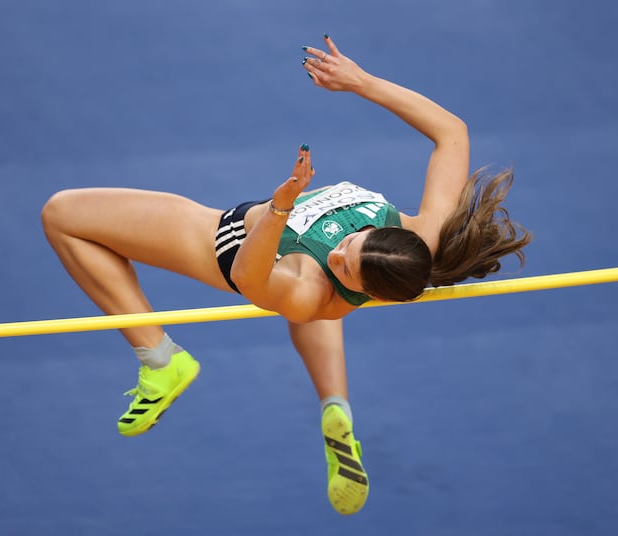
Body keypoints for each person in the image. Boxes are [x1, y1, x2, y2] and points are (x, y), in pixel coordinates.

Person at [41, 35, 531, 515]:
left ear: (364, 290)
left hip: (230, 242)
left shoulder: (306, 289)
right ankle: (335, 406)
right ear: (387, 238)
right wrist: (361, 82)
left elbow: (250, 280)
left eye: (346, 266)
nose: (340, 253)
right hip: (313, 276)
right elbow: (453, 132)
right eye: (350, 245)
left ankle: (160, 359)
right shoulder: (419, 243)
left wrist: (281, 208)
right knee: (321, 305)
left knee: (64, 215)